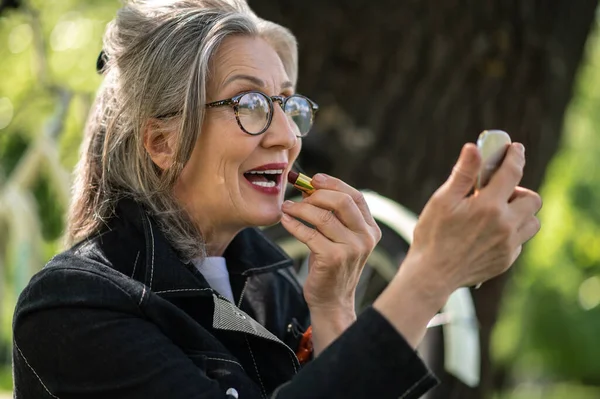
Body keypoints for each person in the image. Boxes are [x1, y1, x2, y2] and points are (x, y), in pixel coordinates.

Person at [11, 1, 542, 398]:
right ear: (162, 143)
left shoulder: (274, 285)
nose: (287, 135)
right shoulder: (73, 305)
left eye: (287, 105)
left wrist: (334, 310)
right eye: (251, 103)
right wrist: (429, 278)